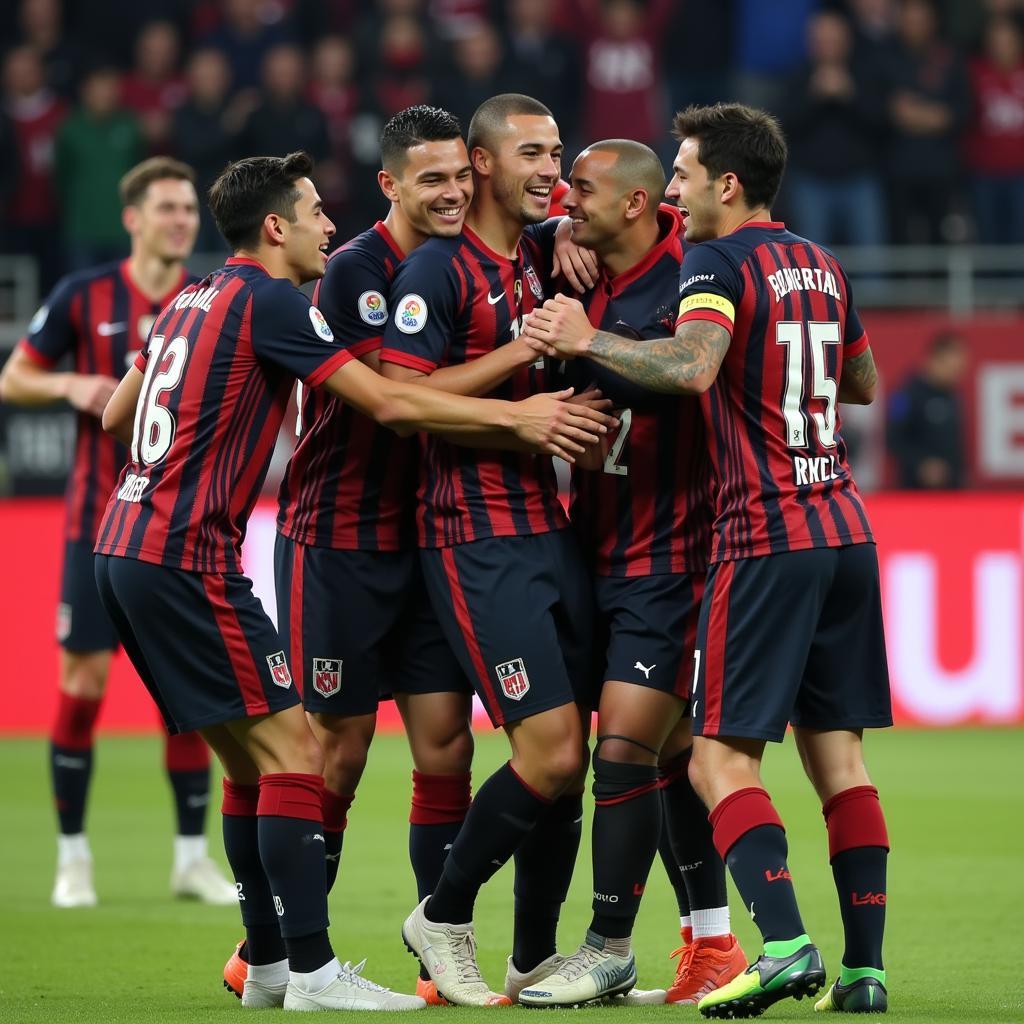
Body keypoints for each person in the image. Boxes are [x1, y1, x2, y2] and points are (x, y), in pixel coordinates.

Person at [93, 149, 610, 1012]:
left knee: (306, 759)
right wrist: (520, 409)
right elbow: (396, 402)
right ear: (276, 227)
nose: (325, 227)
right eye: (311, 212)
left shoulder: (192, 295)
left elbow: (118, 415)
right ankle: (311, 971)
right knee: (306, 755)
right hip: (266, 549)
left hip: (140, 540)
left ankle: (272, 969)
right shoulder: (282, 296)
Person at [524, 102, 893, 1018]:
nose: (676, 194)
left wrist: (587, 340)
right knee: (840, 765)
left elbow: (689, 368)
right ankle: (865, 974)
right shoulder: (822, 261)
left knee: (716, 764)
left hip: (764, 535)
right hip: (845, 527)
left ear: (728, 184)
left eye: (684, 175)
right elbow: (863, 383)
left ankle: (784, 945)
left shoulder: (717, 262)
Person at [240, 105, 478, 1007]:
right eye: (431, 179)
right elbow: (395, 396)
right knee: (334, 752)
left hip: (427, 539)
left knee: (446, 748)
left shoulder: (471, 264)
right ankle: (289, 954)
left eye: (461, 174)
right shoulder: (353, 272)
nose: (452, 191)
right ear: (390, 184)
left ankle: (439, 959)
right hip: (336, 538)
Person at [514, 139, 744, 1008]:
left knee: (624, 751)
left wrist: (586, 336)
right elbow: (508, 231)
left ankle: (609, 945)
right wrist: (552, 242)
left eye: (583, 189)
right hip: (589, 548)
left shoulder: (695, 271)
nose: (566, 198)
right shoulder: (578, 264)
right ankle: (714, 946)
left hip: (674, 556)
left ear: (641, 204)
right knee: (676, 757)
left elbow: (689, 373)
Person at [382, 94, 600, 1007]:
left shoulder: (538, 254)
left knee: (574, 754)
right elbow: (403, 395)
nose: (550, 169)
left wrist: (573, 240)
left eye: (556, 153)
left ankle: (533, 957)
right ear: (478, 163)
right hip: (471, 532)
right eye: (531, 155)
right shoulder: (438, 269)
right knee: (545, 753)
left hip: (545, 524)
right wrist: (520, 362)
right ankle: (443, 914)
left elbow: (647, 207)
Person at [0, 157, 236, 910]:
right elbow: (14, 376)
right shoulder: (86, 293)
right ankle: (73, 858)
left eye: (188, 210)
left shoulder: (210, 299)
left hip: (181, 525)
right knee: (84, 683)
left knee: (184, 688)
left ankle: (190, 858)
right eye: (165, 208)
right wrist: (69, 383)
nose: (180, 221)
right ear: (132, 217)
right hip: (92, 522)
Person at [886, 331, 967, 488]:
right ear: (936, 360)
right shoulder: (906, 393)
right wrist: (921, 464)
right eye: (954, 364)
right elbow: (893, 439)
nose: (958, 371)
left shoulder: (953, 395)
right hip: (915, 491)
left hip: (951, 491)